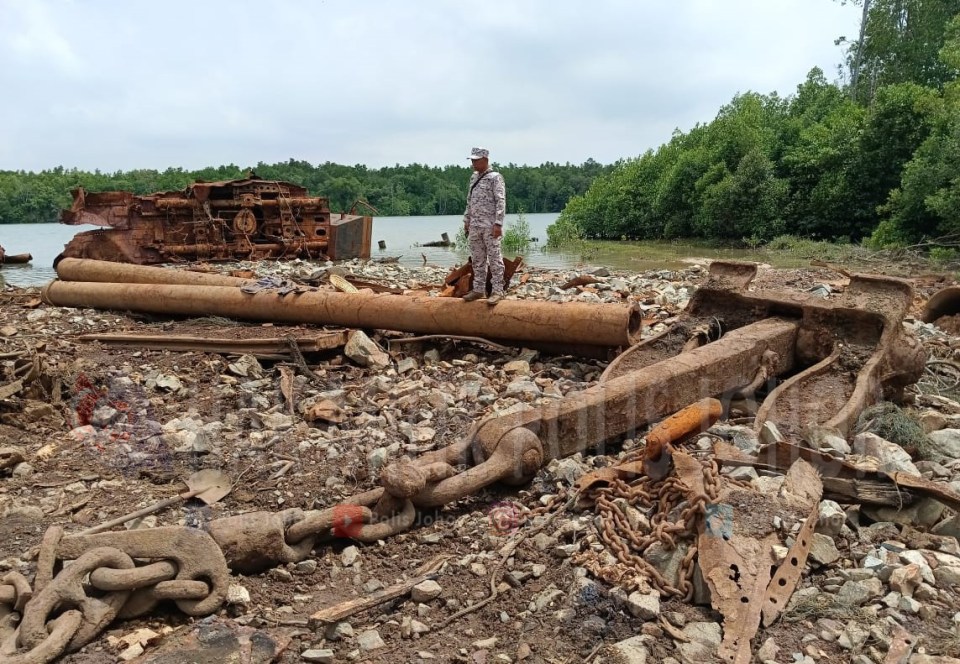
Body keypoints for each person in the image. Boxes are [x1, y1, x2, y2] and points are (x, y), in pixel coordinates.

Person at [462, 147, 507, 304]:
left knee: (495, 258)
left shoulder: (495, 177)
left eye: (476, 160)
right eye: (472, 160)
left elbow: (500, 201)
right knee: (477, 259)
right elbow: (470, 200)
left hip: (490, 226)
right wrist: (466, 220)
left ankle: (497, 291)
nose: (473, 163)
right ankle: (478, 290)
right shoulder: (474, 177)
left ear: (485, 160)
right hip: (475, 225)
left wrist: (498, 223)